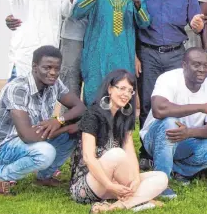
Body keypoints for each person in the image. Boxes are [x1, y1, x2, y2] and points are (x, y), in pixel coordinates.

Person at [137, 0, 206, 161]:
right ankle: (146, 150)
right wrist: (135, 56)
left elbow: (196, 23)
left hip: (177, 54)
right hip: (148, 53)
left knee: (175, 102)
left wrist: (197, 24)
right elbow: (133, 24)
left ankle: (172, 148)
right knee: (148, 102)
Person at [0, 46, 85, 195]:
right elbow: (27, 136)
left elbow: (80, 107)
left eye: (56, 68)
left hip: (35, 137)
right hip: (5, 146)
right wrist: (64, 128)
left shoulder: (54, 84)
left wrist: (60, 120)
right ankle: (0, 175)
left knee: (74, 134)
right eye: (47, 67)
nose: (53, 73)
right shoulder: (18, 89)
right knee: (46, 152)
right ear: (35, 67)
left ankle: (44, 177)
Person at [69, 69, 168, 213]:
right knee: (117, 154)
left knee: (161, 177)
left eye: (130, 91)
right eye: (122, 88)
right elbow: (88, 158)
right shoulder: (93, 114)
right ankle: (142, 199)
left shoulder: (125, 116)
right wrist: (109, 185)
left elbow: (130, 152)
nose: (126, 94)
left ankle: (115, 207)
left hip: (114, 183)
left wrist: (135, 179)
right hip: (87, 184)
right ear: (110, 88)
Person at [71, 0, 151, 106]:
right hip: (96, 56)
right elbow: (77, 13)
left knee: (121, 103)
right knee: (95, 101)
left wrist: (136, 1)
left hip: (123, 58)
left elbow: (145, 23)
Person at [139, 48, 207, 199]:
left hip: (186, 140)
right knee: (170, 123)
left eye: (205, 65)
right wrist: (200, 107)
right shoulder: (169, 78)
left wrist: (188, 133)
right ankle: (161, 183)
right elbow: (159, 110)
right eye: (196, 65)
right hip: (155, 138)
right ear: (184, 65)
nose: (202, 70)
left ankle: (177, 171)